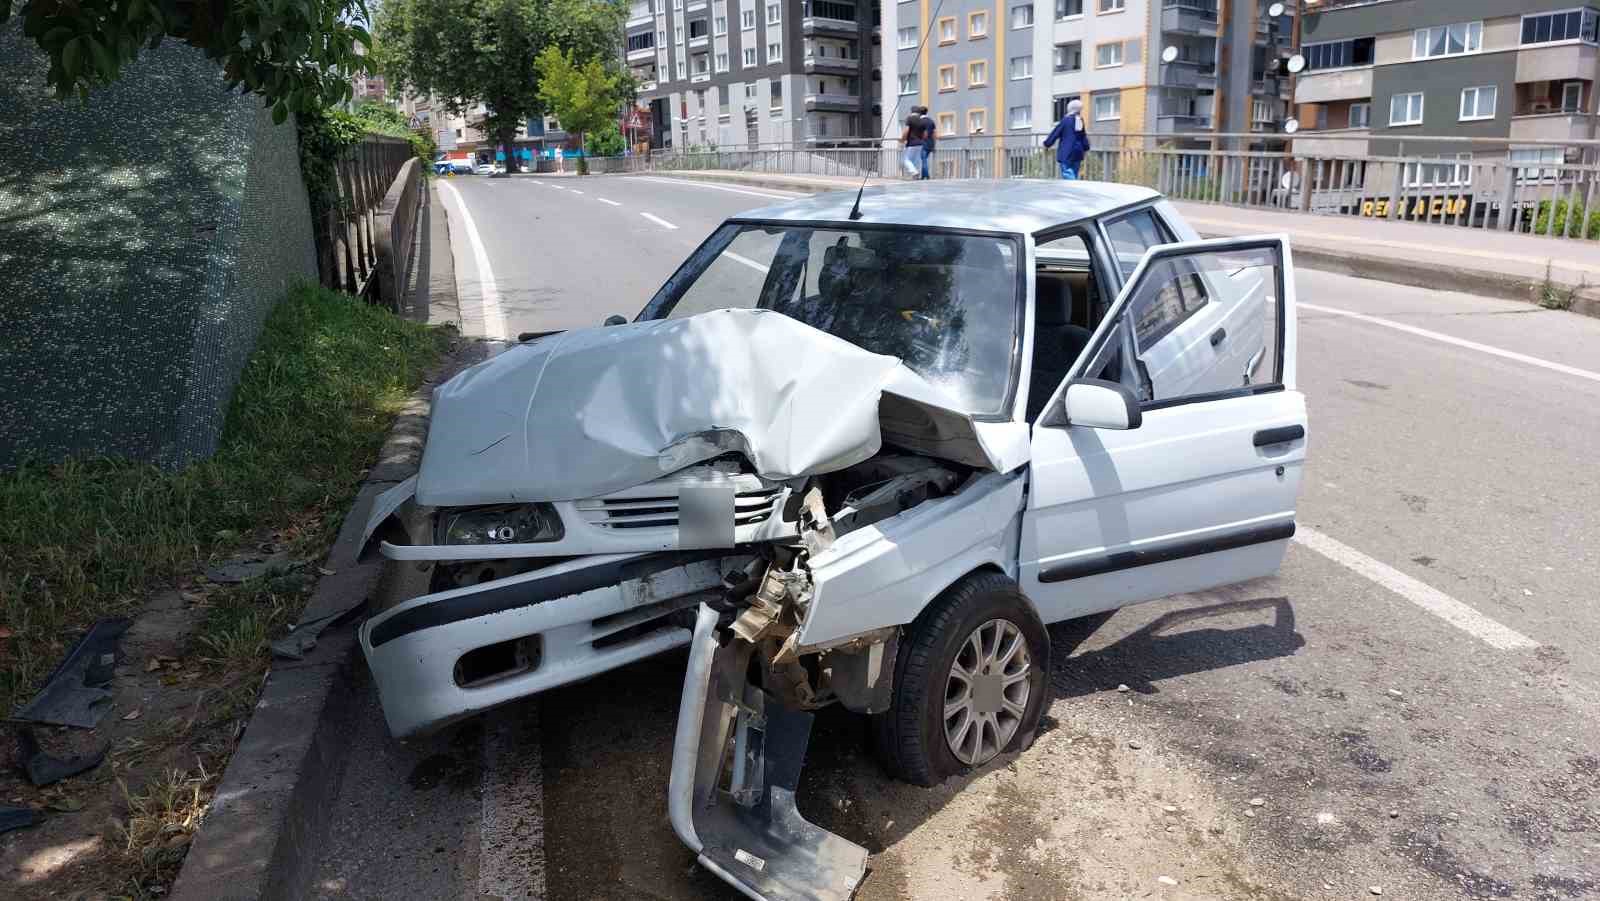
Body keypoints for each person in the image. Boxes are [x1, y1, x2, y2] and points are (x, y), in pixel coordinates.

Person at [1042, 98, 1091, 180]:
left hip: (1067, 152)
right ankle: (1074, 187)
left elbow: (1055, 133)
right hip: (1078, 151)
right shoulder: (1080, 120)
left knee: (1068, 173)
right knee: (1074, 173)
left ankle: (1073, 188)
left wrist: (1047, 144)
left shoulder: (1066, 120)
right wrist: (1086, 147)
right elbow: (1083, 136)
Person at [900, 107, 925, 178]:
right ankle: (916, 175)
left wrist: (902, 139)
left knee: (906, 160)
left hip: (912, 143)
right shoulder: (921, 120)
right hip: (920, 143)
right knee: (916, 161)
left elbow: (906, 130)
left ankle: (914, 172)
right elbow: (924, 133)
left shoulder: (910, 118)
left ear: (911, 112)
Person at [916, 107, 936, 180]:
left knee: (923, 160)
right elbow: (934, 133)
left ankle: (927, 175)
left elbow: (924, 133)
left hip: (923, 143)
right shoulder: (931, 121)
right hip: (930, 143)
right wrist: (934, 145)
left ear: (920, 113)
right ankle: (923, 176)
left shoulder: (920, 121)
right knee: (924, 159)